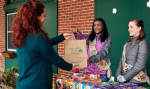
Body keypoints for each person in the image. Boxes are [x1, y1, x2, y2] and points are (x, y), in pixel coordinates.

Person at [11, 0, 77, 89]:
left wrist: (62, 37)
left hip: (22, 84)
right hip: (37, 84)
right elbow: (55, 59)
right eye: (43, 15)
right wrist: (70, 66)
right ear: (35, 17)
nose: (44, 18)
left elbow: (41, 47)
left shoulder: (20, 35)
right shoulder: (39, 37)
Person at [72, 18, 112, 82]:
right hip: (89, 71)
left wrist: (90, 60)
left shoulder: (108, 38)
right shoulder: (90, 37)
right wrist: (76, 33)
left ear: (103, 26)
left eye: (98, 25)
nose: (96, 27)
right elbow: (82, 39)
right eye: (94, 25)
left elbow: (103, 53)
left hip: (101, 72)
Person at [116, 19, 150, 85]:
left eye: (131, 27)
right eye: (128, 27)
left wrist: (125, 77)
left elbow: (140, 64)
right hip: (124, 81)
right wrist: (118, 75)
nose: (129, 29)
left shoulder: (143, 43)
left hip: (135, 82)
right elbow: (122, 60)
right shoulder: (128, 43)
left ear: (139, 28)